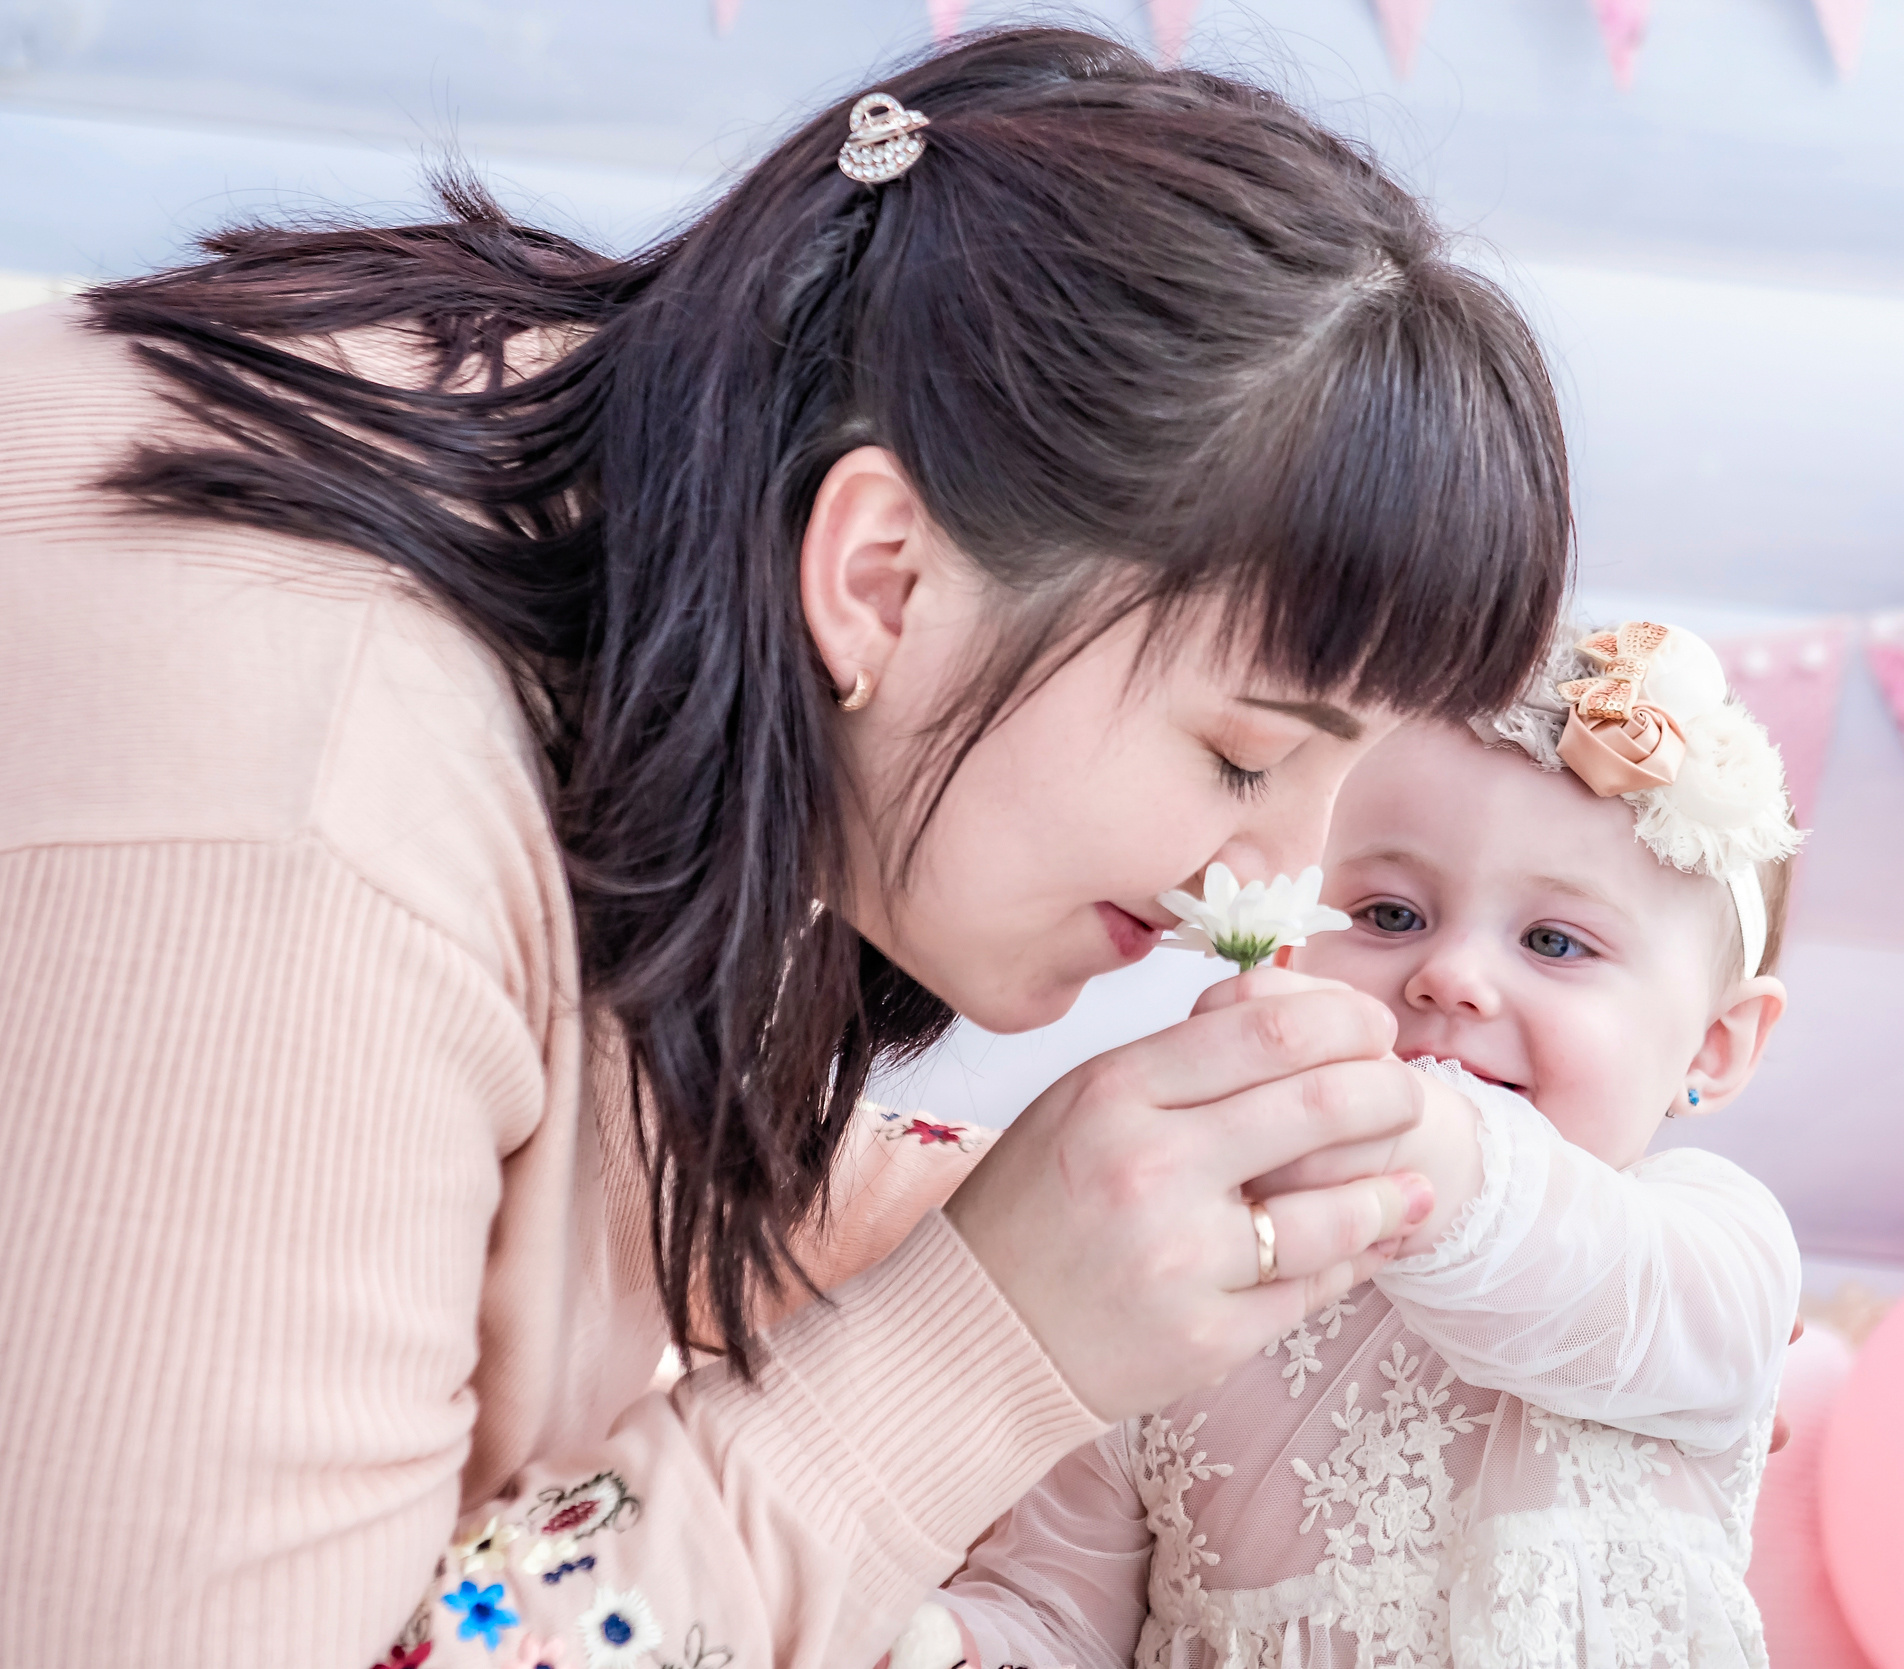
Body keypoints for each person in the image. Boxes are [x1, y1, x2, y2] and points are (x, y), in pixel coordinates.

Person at [0, 28, 1572, 1669]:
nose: (1275, 884)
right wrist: (989, 1335)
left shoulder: (655, 498)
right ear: (883, 575)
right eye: (1246, 754)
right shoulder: (302, 837)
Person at [910, 619, 1805, 1669]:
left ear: (1714, 1043)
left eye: (1553, 941)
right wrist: (962, 1642)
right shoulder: (1189, 1271)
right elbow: (1061, 1605)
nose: (1451, 975)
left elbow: (1582, 1271)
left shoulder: (1708, 1248)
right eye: (1387, 915)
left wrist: (1420, 1140)